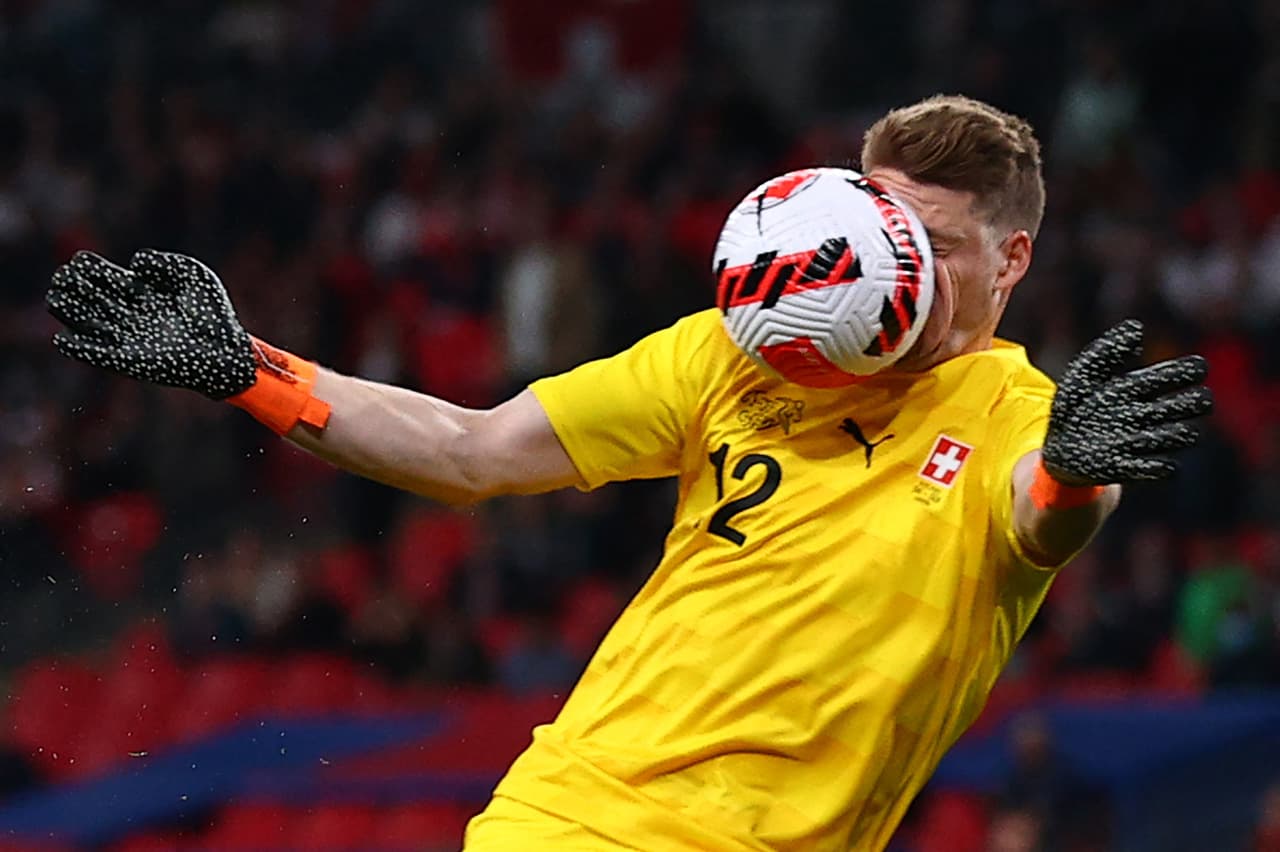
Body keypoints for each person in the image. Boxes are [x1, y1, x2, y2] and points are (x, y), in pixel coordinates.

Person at [45, 95, 1211, 851]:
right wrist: (251, 371)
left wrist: (1067, 476)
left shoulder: (1026, 419)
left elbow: (1043, 515)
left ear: (1011, 258)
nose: (885, 273)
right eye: (876, 230)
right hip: (586, 816)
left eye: (934, 251)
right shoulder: (726, 350)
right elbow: (472, 450)